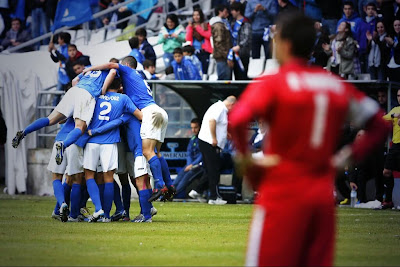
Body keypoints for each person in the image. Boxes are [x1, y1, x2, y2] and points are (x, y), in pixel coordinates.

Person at [228, 12, 389, 266]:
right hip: (321, 195)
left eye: (275, 38)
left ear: (285, 44)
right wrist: (345, 157)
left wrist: (245, 160)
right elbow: (379, 124)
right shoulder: (333, 84)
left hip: (282, 191)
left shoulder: (273, 83)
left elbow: (237, 120)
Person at [82, 56, 175, 205]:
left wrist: (89, 69)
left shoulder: (127, 71)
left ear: (125, 65)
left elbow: (112, 65)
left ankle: (159, 185)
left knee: (147, 153)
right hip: (159, 111)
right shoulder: (140, 78)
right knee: (156, 153)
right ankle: (169, 184)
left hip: (148, 113)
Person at [83, 76, 142, 222]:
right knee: (109, 178)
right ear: (120, 85)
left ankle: (98, 209)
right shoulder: (123, 98)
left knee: (90, 176)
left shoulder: (96, 96)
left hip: (92, 141)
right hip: (110, 143)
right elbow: (140, 115)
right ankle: (107, 216)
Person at [189, 96, 237, 205]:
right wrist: (214, 138)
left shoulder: (219, 108)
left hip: (207, 142)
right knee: (214, 170)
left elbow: (218, 124)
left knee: (211, 169)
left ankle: (198, 190)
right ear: (231, 104)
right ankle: (214, 197)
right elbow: (212, 121)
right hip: (209, 142)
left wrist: (225, 134)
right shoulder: (219, 108)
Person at [173, 118, 204, 197]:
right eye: (192, 128)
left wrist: (192, 165)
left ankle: (173, 195)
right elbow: (189, 153)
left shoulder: (203, 139)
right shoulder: (193, 139)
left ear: (200, 127)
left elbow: (202, 155)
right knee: (180, 176)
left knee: (186, 177)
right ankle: (167, 194)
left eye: (195, 128)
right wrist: (189, 164)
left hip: (200, 165)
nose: (193, 130)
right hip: (190, 165)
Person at [380, 88, 400, 210]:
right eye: (398, 95)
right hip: (396, 146)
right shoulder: (395, 110)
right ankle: (388, 200)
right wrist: (394, 115)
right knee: (386, 172)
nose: (399, 97)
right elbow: (383, 119)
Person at [186, 7, 213, 74]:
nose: (196, 17)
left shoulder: (206, 25)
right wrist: (190, 28)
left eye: (197, 15)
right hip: (195, 50)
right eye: (194, 15)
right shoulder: (191, 26)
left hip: (205, 50)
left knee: (205, 70)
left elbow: (208, 35)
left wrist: (198, 28)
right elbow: (188, 38)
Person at [229, 2, 252, 80]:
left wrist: (239, 46)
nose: (231, 12)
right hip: (234, 54)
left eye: (233, 10)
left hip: (243, 53)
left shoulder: (245, 23)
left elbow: (247, 38)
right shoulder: (232, 23)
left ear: (238, 11)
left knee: (243, 74)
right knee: (236, 75)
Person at [48, 32, 71, 106]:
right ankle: (53, 112)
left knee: (68, 95)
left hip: (69, 76)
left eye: (59, 38)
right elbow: (56, 59)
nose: (58, 40)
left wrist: (55, 49)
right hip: (61, 76)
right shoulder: (60, 48)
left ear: (63, 39)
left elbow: (64, 58)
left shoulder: (69, 48)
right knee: (57, 95)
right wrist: (51, 52)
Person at [210, 4, 232, 80]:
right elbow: (219, 42)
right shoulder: (218, 25)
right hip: (222, 56)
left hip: (224, 55)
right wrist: (227, 56)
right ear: (220, 11)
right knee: (224, 78)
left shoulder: (223, 24)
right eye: (226, 11)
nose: (227, 14)